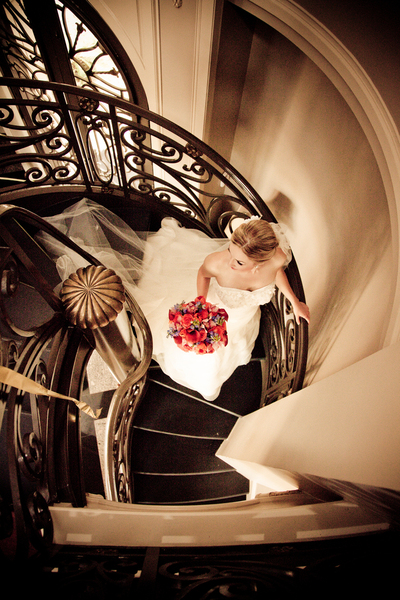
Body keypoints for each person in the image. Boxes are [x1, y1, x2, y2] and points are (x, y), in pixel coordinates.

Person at [38, 199, 309, 402]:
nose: (230, 261)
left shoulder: (276, 258)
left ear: (260, 262)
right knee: (204, 364)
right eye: (230, 250)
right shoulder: (218, 262)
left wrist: (294, 301)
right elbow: (203, 274)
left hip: (242, 316)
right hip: (214, 308)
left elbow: (277, 274)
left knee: (231, 346)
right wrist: (201, 303)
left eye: (239, 261)